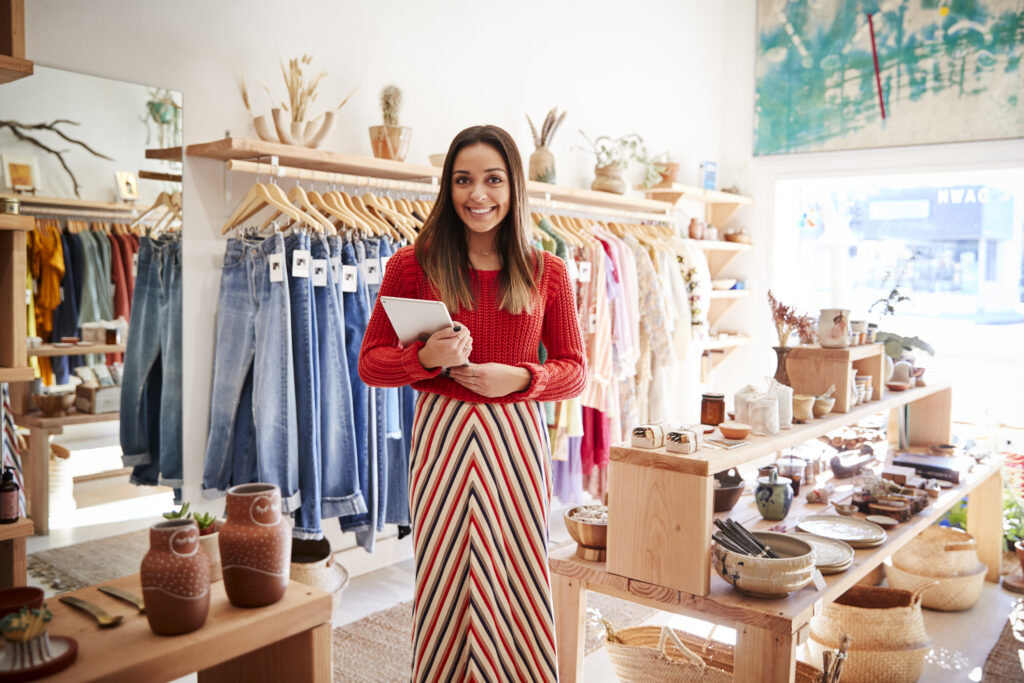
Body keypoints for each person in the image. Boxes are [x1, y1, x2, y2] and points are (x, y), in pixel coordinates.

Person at [359, 124, 587, 682]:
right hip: (441, 436)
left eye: (492, 180)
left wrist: (520, 378)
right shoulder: (410, 265)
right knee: (445, 570)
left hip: (516, 438)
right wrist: (424, 360)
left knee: (515, 569)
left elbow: (576, 371)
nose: (477, 195)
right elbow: (370, 364)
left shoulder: (547, 270)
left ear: (514, 187)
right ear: (447, 186)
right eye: (463, 181)